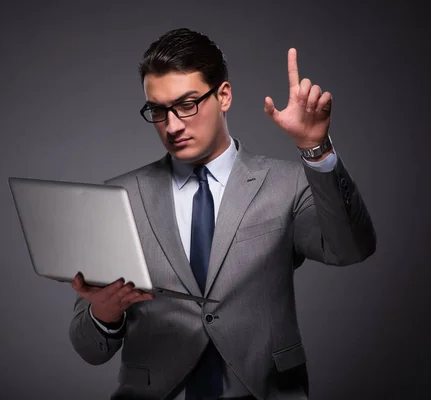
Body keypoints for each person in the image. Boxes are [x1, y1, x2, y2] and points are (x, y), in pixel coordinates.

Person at [68, 28, 376, 400]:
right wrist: (104, 314)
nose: (173, 125)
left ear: (224, 96)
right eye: (158, 110)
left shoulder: (287, 183)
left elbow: (351, 249)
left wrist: (317, 150)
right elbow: (89, 350)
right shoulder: (118, 198)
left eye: (187, 104)